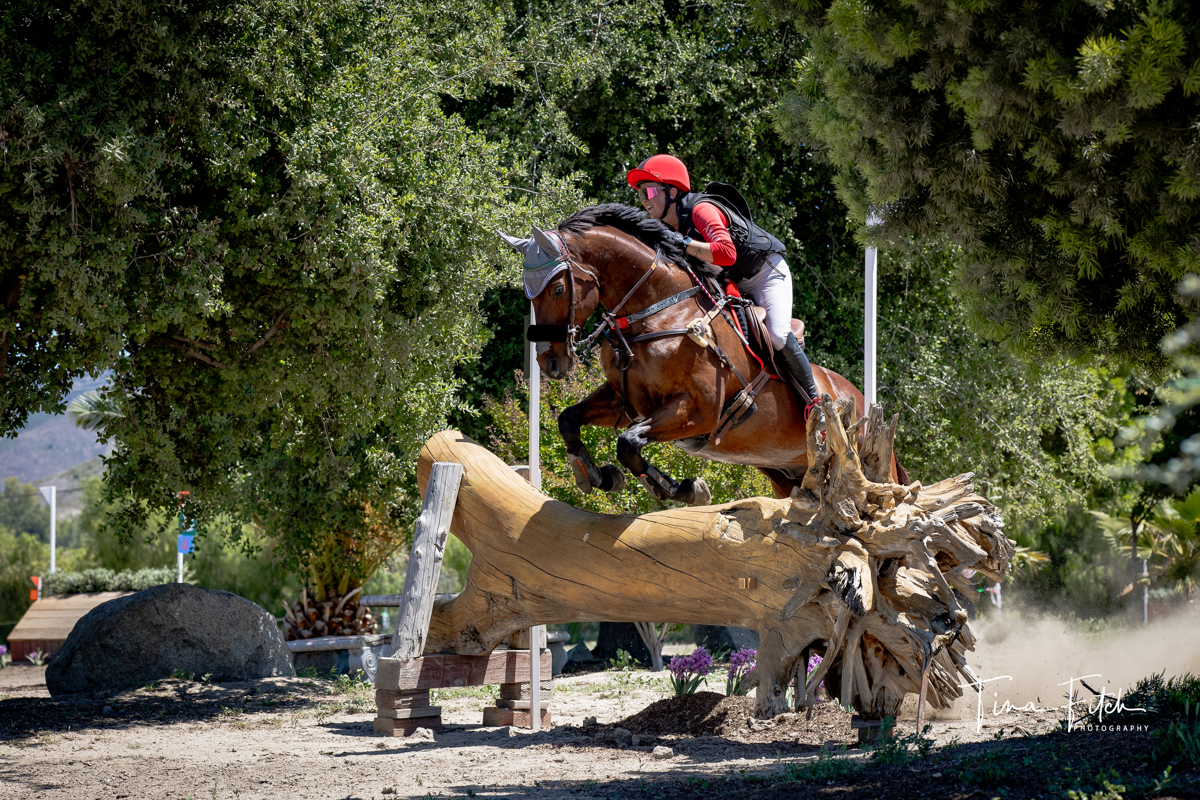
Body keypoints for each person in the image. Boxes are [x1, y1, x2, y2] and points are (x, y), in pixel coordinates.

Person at [625, 154, 822, 425]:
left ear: (672, 191)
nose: (644, 200)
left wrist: (682, 243)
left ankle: (815, 404)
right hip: (732, 281)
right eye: (639, 193)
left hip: (765, 273)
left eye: (648, 191)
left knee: (777, 335)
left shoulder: (701, 210)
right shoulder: (666, 226)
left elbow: (726, 253)